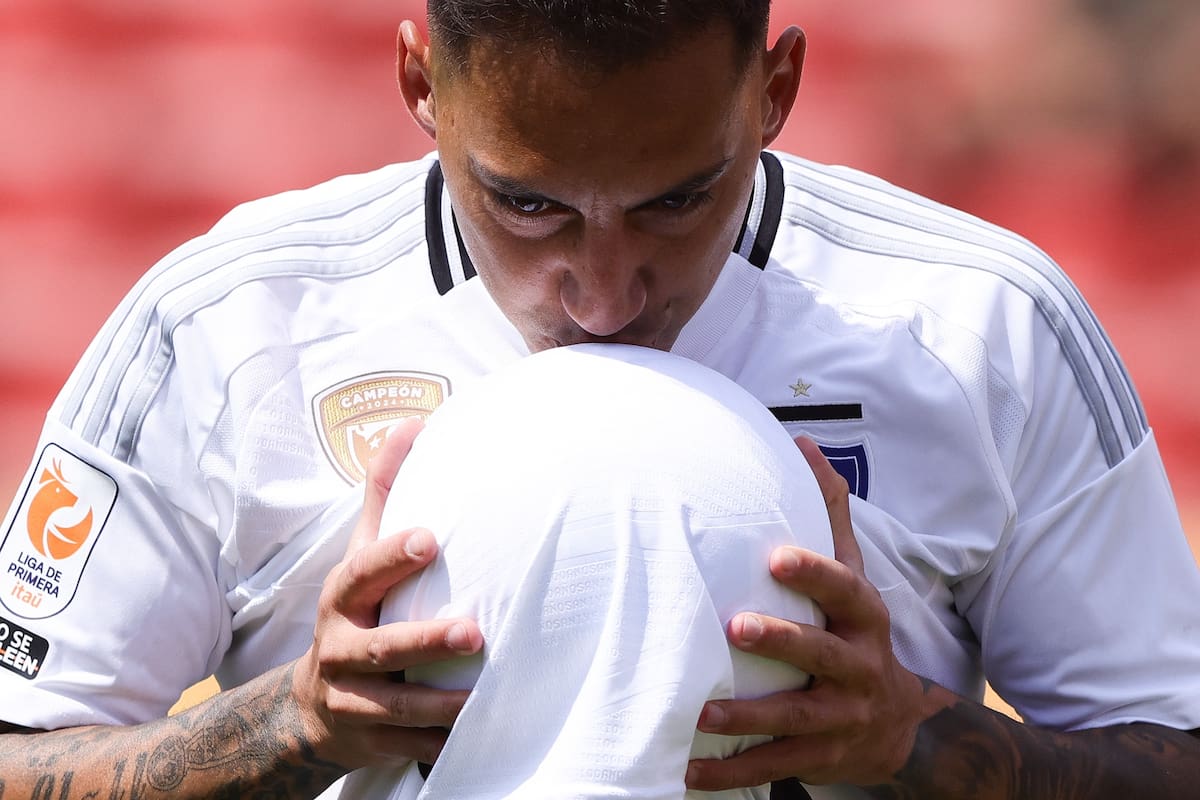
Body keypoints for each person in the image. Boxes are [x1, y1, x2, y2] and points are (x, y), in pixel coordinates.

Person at [0, 1, 1197, 798]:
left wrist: (911, 734)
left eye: (680, 201)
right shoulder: (228, 326)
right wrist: (289, 721)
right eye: (529, 206)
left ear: (773, 89)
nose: (606, 294)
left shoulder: (982, 325)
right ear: (422, 79)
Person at [349, 342, 835, 799]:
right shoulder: (287, 324)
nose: (603, 309)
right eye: (535, 242)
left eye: (669, 243)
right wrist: (302, 711)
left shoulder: (898, 330)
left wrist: (898, 735)